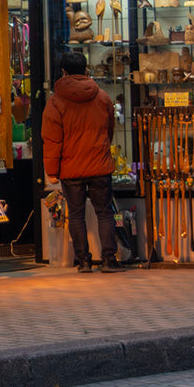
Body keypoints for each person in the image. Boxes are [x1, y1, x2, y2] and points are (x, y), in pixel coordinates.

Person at [42, 51, 122, 274]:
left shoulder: (56, 102)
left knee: (76, 215)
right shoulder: (103, 97)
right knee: (105, 212)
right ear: (86, 69)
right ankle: (108, 259)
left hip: (71, 167)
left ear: (63, 72)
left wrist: (52, 170)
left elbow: (51, 139)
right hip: (99, 164)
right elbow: (109, 131)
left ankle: (84, 261)